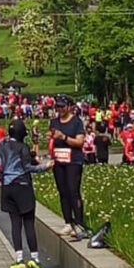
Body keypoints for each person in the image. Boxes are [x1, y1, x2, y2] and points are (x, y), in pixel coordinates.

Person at [0, 121, 53, 268]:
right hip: (22, 186)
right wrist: (45, 166)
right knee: (29, 223)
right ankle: (34, 259)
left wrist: (1, 178)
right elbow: (27, 167)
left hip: (7, 188)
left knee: (15, 223)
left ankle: (19, 259)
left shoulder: (1, 146)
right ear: (21, 134)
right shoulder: (22, 147)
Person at [49, 96, 89, 240]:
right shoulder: (54, 122)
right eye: (57, 107)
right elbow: (52, 140)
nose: (60, 110)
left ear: (70, 107)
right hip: (59, 161)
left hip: (73, 161)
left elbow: (80, 142)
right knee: (63, 191)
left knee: (73, 191)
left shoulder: (76, 122)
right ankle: (68, 221)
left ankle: (79, 223)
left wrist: (64, 137)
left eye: (62, 107)